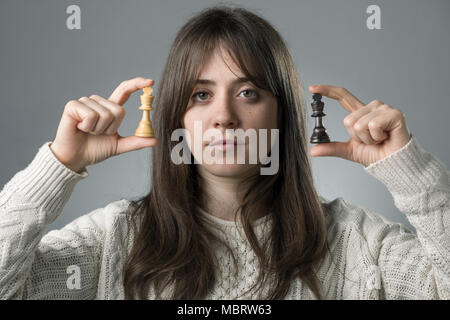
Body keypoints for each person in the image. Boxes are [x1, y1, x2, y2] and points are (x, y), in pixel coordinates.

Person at [0, 5, 448, 300]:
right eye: (200, 95)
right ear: (175, 115)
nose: (224, 117)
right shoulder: (113, 238)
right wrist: (57, 165)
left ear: (283, 115)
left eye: (249, 92)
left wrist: (410, 173)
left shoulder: (359, 242)